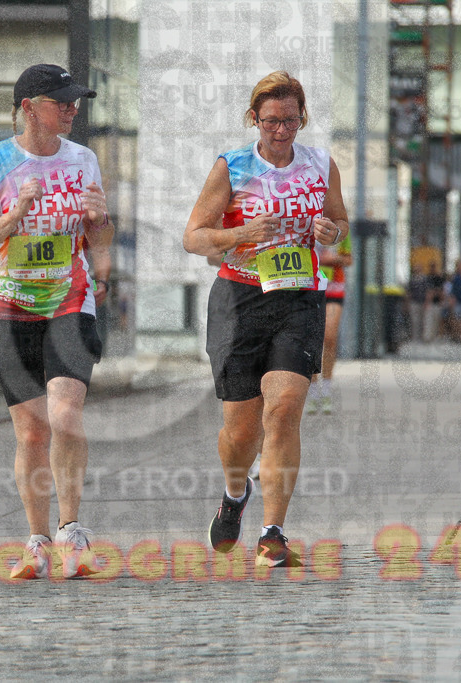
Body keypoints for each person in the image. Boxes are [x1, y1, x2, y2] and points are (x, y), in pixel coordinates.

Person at [183, 70, 349, 568]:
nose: (282, 130)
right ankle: (236, 493)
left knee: (285, 408)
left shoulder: (321, 164)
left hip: (299, 297)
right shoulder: (232, 166)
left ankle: (272, 532)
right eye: (272, 120)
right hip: (239, 298)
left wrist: (330, 232)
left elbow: (341, 224)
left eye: (292, 120)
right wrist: (241, 234)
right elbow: (193, 236)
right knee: (240, 430)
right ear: (254, 118)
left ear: (303, 119)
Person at [0, 64, 112, 580]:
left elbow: (100, 240)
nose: (72, 109)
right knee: (31, 434)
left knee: (65, 415)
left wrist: (99, 221)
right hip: (9, 307)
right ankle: (36, 541)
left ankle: (72, 531)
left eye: (75, 101)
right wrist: (13, 216)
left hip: (69, 300)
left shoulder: (83, 159)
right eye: (61, 101)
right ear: (29, 108)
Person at [307, 233, 352, 414]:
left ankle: (326, 390)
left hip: (334, 286)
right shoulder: (305, 221)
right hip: (309, 284)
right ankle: (312, 393)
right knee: (312, 340)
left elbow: (348, 260)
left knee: (330, 337)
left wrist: (334, 258)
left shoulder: (339, 229)